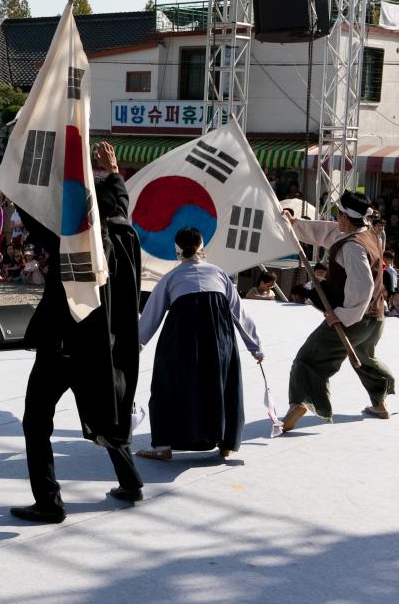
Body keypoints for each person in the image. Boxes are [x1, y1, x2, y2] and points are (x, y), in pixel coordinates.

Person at [10, 141, 144, 524]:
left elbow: (37, 220)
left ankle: (49, 501)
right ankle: (131, 482)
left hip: (61, 346)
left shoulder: (73, 243)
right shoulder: (121, 237)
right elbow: (120, 208)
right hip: (101, 346)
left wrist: (18, 185)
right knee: (106, 411)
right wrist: (114, 173)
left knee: (36, 422)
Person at [136, 227, 263, 461]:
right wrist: (255, 346)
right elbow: (239, 312)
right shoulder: (219, 274)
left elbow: (151, 314)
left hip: (180, 340)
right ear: (202, 247)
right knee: (223, 383)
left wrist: (137, 344)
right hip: (218, 338)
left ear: (177, 251)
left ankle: (163, 445)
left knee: (168, 384)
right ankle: (227, 444)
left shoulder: (171, 277)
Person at [282, 191, 395, 429]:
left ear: (345, 217)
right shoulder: (369, 232)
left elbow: (362, 287)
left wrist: (342, 315)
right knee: (365, 358)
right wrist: (294, 223)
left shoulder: (352, 248)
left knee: (308, 360)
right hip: (375, 318)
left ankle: (301, 401)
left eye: (338, 214)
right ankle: (379, 403)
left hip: (355, 318)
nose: (336, 219)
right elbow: (325, 232)